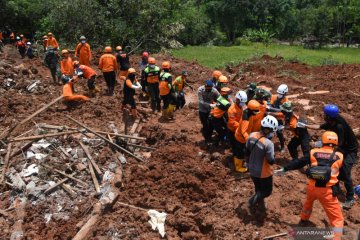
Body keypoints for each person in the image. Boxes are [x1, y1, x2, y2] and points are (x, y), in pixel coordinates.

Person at [275, 131, 344, 239]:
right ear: (336, 143)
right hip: (327, 191)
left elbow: (299, 162)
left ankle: (303, 219)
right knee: (337, 219)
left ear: (323, 141)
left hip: (312, 187)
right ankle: (336, 237)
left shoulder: (313, 153)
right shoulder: (339, 156)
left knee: (308, 203)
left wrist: (285, 169)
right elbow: (344, 174)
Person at [303, 104, 358, 209]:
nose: (324, 116)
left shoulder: (339, 126)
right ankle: (335, 189)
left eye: (325, 115)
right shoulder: (332, 121)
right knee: (335, 169)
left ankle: (350, 198)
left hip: (349, 150)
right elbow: (318, 127)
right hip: (341, 147)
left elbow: (338, 144)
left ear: (329, 116)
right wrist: (305, 125)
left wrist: (319, 144)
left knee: (345, 173)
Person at [246, 115, 278, 211]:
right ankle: (252, 201)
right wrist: (274, 157)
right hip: (263, 172)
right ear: (267, 130)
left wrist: (247, 164)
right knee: (267, 191)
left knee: (258, 187)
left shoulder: (251, 135)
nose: (272, 134)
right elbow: (271, 161)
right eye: (272, 131)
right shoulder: (269, 144)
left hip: (252, 169)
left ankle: (258, 198)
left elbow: (247, 151)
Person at [233, 100, 261, 172]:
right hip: (240, 138)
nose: (256, 113)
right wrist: (248, 140)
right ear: (251, 110)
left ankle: (239, 162)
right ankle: (238, 167)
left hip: (241, 136)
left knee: (241, 151)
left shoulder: (248, 111)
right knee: (240, 152)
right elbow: (243, 131)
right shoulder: (246, 118)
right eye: (255, 111)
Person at [198, 80, 220, 145]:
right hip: (202, 109)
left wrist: (219, 103)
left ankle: (209, 138)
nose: (209, 90)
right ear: (205, 86)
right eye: (208, 89)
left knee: (211, 125)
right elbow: (201, 101)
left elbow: (219, 98)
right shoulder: (200, 90)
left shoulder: (214, 90)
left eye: (210, 89)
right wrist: (210, 105)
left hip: (211, 110)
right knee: (205, 125)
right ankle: (207, 139)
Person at [268, 84, 289, 152]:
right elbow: (270, 107)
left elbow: (283, 114)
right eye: (279, 93)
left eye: (281, 94)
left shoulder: (286, 101)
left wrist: (273, 113)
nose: (279, 95)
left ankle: (282, 146)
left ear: (285, 93)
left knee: (279, 133)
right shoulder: (274, 97)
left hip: (279, 119)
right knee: (268, 133)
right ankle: (266, 146)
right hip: (271, 117)